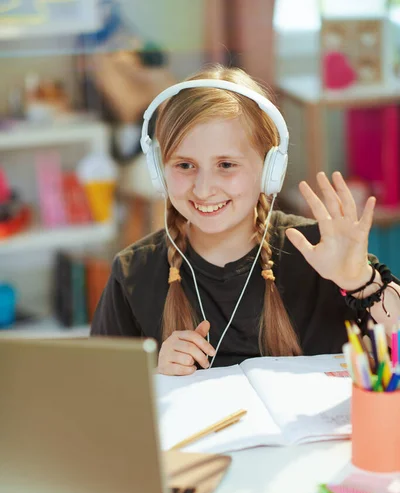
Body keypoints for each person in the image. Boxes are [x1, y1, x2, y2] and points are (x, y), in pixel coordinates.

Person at [90, 64, 400, 375]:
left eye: (226, 164)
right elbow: (99, 395)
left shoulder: (319, 250)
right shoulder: (133, 272)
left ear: (269, 171)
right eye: (185, 165)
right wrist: (153, 374)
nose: (203, 188)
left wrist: (361, 282)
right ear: (160, 171)